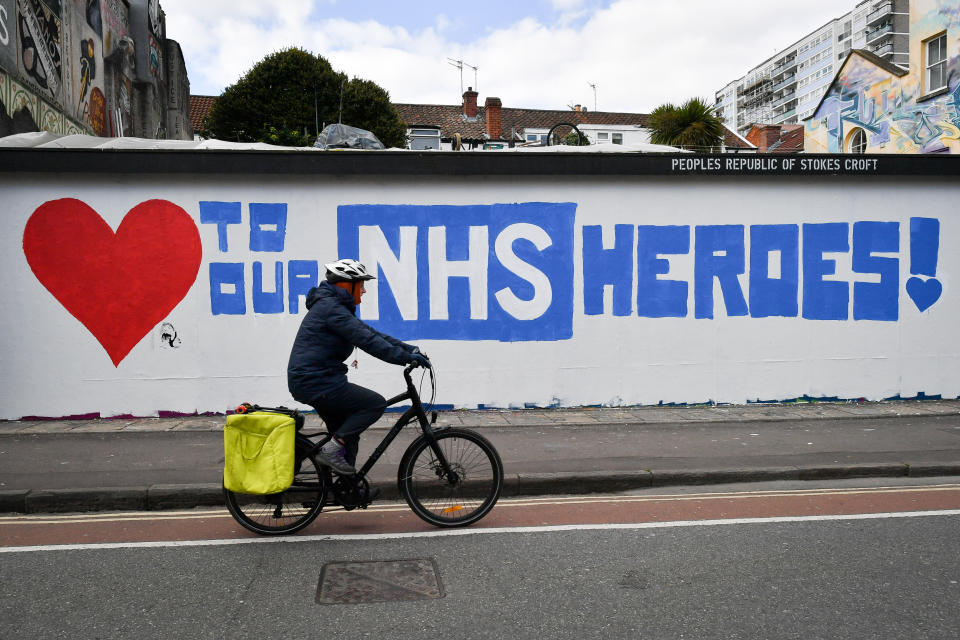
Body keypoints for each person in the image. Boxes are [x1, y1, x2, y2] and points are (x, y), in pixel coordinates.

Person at [287, 259, 430, 479]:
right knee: (374, 404)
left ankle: (341, 486)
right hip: (316, 382)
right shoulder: (330, 309)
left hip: (318, 380)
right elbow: (368, 341)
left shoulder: (334, 307)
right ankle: (331, 453)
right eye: (361, 285)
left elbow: (371, 333)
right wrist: (404, 358)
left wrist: (409, 349)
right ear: (346, 285)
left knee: (347, 434)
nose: (363, 291)